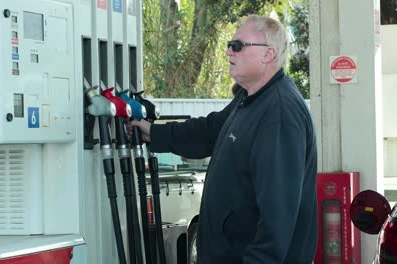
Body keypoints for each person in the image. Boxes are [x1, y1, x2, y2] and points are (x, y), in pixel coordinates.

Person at [131, 15, 317, 263]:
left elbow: (277, 216)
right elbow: (209, 131)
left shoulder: (279, 114)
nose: (229, 51)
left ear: (268, 55)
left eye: (238, 45)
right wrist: (152, 132)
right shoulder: (250, 99)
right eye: (230, 44)